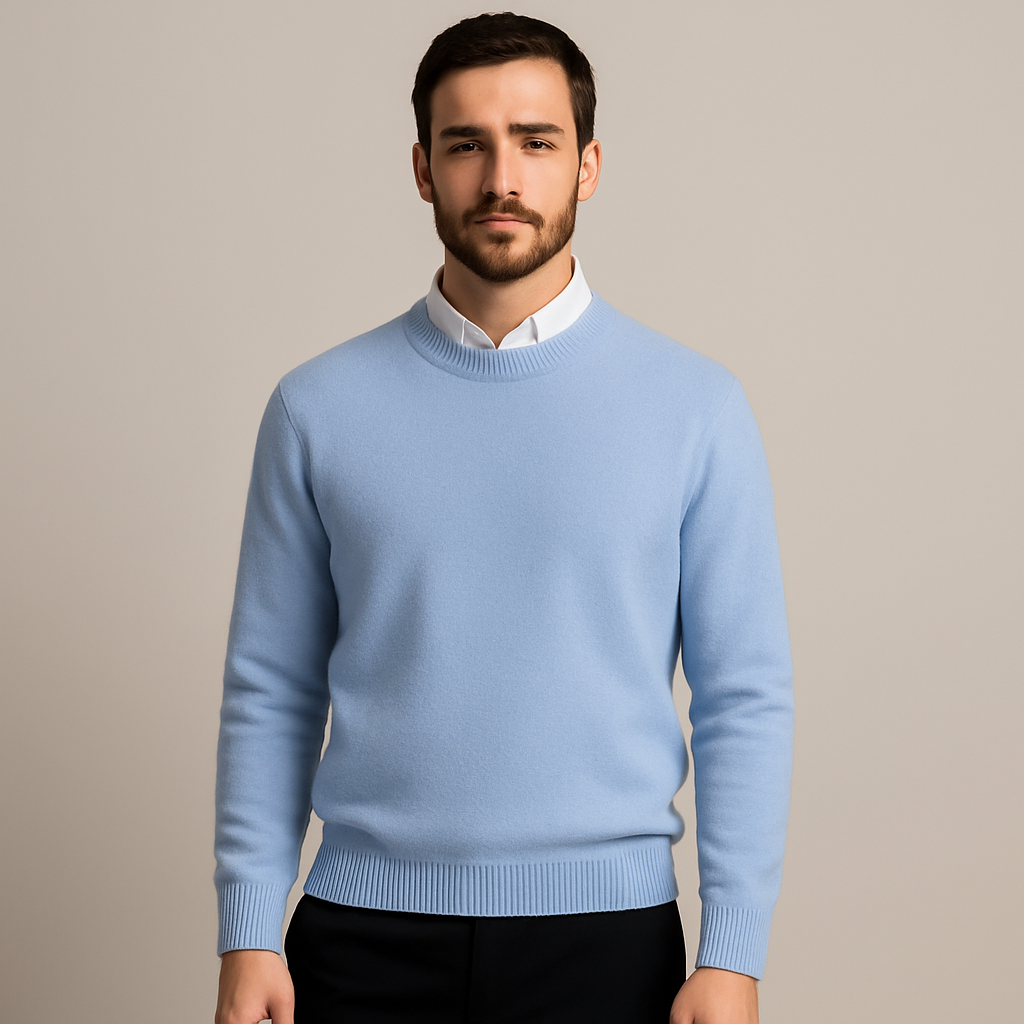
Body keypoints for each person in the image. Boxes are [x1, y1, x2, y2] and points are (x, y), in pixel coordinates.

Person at [214, 12, 793, 1024]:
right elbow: (272, 686)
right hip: (360, 938)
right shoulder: (317, 408)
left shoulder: (695, 407)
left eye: (536, 141)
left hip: (611, 942)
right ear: (422, 169)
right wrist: (250, 928)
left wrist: (733, 950)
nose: (501, 178)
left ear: (588, 165)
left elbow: (743, 694)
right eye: (466, 144)